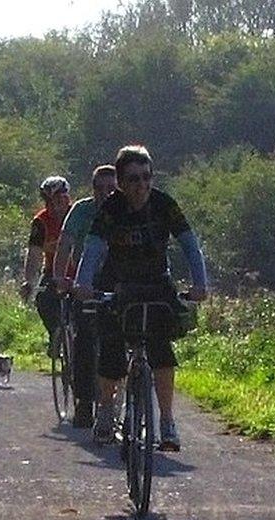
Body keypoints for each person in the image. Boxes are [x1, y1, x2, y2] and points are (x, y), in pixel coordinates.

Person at [74, 145, 208, 451]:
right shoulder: (111, 208)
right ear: (121, 182)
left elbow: (189, 243)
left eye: (147, 177)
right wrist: (83, 283)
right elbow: (93, 248)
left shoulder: (164, 205)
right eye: (133, 179)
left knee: (161, 349)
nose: (141, 185)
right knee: (111, 350)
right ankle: (106, 410)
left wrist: (201, 284)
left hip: (156, 283)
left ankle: (167, 422)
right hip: (119, 283)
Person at [52, 165, 118, 428]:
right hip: (85, 282)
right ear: (92, 190)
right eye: (99, 189)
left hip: (116, 279)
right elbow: (65, 244)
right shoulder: (81, 210)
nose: (105, 194)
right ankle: (85, 401)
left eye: (111, 189)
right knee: (86, 337)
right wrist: (58, 278)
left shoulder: (127, 211)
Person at [19, 176, 73, 355]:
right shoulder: (41, 222)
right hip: (53, 270)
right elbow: (34, 253)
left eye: (58, 200)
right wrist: (29, 281)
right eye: (48, 202)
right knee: (43, 298)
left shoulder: (78, 215)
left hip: (78, 271)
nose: (54, 206)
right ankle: (56, 334)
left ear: (67, 198)